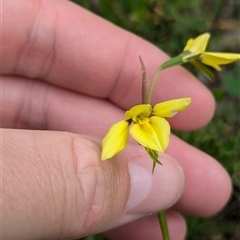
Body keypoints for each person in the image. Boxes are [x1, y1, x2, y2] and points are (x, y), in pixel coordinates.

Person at [1, 0, 232, 239]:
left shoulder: (150, 116)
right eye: (138, 115)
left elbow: (179, 105)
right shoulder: (126, 126)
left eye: (143, 114)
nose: (142, 117)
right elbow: (111, 146)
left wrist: (149, 120)